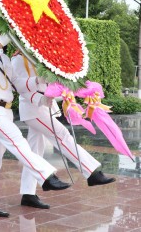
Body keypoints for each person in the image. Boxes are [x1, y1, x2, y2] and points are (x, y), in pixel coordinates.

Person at [0, 17, 70, 217]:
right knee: (17, 140)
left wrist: (40, 81)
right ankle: (46, 175)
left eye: (0, 34)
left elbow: (19, 84)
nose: (0, 38)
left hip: (4, 111)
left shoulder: (4, 60)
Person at [11, 53, 115, 209]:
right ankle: (92, 172)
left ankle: (28, 193)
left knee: (34, 151)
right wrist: (41, 98)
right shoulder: (19, 58)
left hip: (45, 106)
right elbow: (18, 86)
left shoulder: (43, 56)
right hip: (35, 108)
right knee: (62, 136)